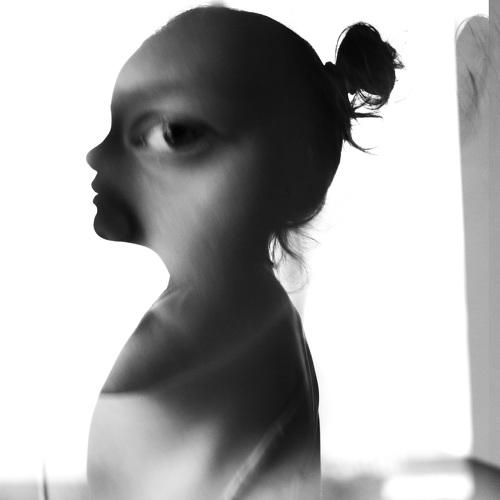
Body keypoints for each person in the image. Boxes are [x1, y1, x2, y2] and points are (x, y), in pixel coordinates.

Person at [85, 5, 402, 499]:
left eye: (172, 133)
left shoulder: (230, 324)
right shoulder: (232, 316)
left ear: (277, 176)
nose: (97, 155)